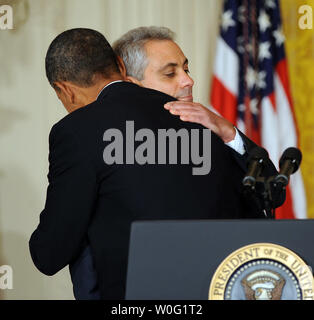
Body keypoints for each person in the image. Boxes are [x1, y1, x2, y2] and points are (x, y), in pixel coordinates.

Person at [29, 28, 283, 300]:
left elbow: (53, 250)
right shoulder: (198, 126)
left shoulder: (79, 130)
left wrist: (229, 132)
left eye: (185, 69)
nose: (188, 81)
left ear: (64, 90)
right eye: (170, 73)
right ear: (124, 71)